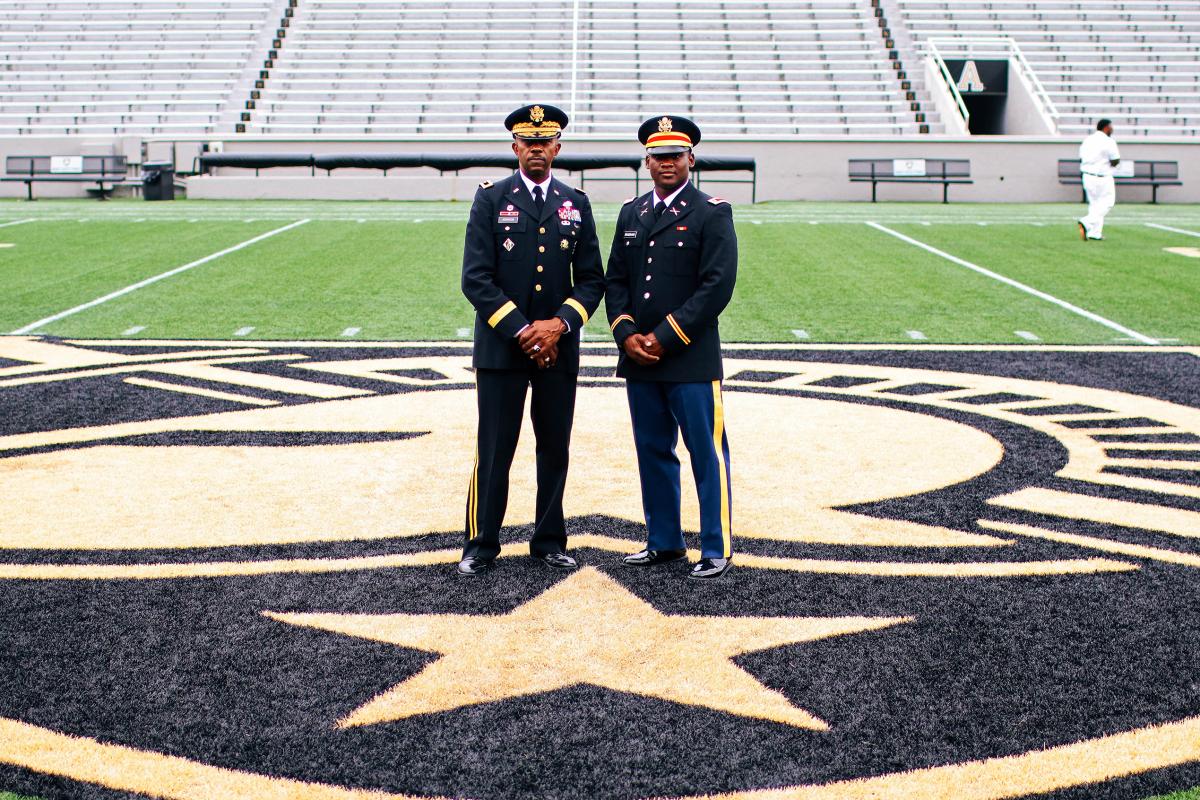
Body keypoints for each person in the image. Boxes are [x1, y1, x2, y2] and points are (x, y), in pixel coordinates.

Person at [457, 103, 605, 576]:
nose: (537, 149)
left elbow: (591, 281)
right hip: (503, 348)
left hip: (558, 351)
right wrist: (524, 330)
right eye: (528, 142)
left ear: (557, 148)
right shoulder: (490, 199)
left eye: (545, 143)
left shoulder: (575, 202)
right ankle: (481, 543)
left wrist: (558, 325)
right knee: (495, 447)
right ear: (515, 147)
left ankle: (548, 540)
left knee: (554, 445)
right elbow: (475, 278)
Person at [604, 115, 737, 581]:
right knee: (652, 451)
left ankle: (716, 547)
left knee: (706, 454)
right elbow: (616, 280)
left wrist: (663, 336)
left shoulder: (712, 212)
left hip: (689, 358)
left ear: (691, 159)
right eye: (658, 157)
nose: (666, 164)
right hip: (639, 359)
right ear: (646, 160)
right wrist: (626, 335)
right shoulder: (631, 212)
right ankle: (664, 542)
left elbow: (717, 286)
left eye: (675, 156)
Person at [1078, 119, 1121, 242]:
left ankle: (1095, 233)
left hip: (1087, 176)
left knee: (1095, 204)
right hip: (1102, 176)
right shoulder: (1108, 141)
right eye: (1111, 127)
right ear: (1106, 127)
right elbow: (1115, 160)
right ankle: (1087, 222)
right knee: (1108, 202)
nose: (1112, 129)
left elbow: (1081, 157)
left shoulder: (1087, 140)